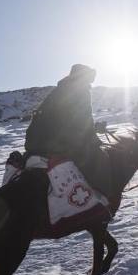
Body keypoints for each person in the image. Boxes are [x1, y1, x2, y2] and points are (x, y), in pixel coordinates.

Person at [24, 64, 112, 198]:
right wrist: (95, 142)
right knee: (98, 159)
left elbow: (67, 120)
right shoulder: (80, 89)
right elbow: (83, 120)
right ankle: (101, 196)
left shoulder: (62, 89)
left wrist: (93, 129)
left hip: (34, 142)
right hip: (55, 141)